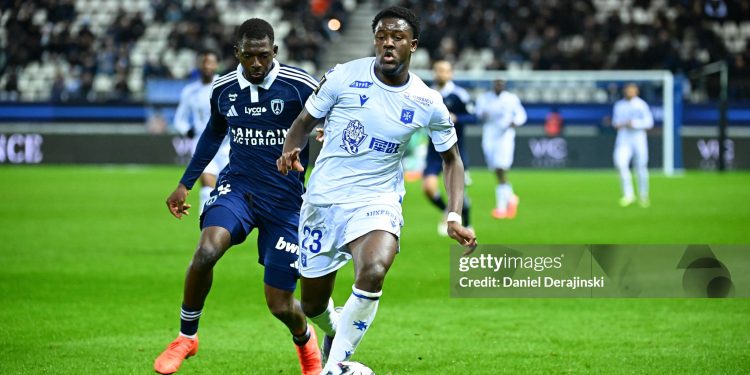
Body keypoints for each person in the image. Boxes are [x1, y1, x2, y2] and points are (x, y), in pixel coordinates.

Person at [277, 6, 477, 374]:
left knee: (374, 268)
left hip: (377, 199)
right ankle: (337, 329)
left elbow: (452, 160)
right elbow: (303, 123)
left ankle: (334, 366)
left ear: (412, 45)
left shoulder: (426, 100)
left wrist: (453, 214)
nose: (388, 43)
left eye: (397, 37)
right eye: (382, 36)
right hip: (324, 201)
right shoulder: (343, 76)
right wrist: (291, 148)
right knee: (313, 306)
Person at [155, 18, 322, 375]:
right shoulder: (224, 89)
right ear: (237, 54)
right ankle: (186, 337)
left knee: (279, 304)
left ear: (274, 52)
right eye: (249, 56)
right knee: (206, 251)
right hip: (239, 189)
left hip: (286, 202)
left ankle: (305, 338)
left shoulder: (299, 86)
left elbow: (328, 125)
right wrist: (185, 183)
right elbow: (213, 134)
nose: (257, 64)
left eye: (263, 55)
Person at [172, 49, 230, 213]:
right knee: (207, 184)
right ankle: (206, 221)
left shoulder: (225, 85)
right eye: (204, 62)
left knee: (228, 188)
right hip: (202, 143)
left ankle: (224, 220)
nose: (207, 66)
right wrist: (187, 130)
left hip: (227, 145)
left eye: (211, 62)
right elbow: (180, 118)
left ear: (217, 65)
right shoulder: (190, 91)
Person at [423, 60, 476, 235]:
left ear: (451, 73)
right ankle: (447, 211)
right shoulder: (427, 94)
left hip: (455, 150)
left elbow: (472, 117)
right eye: (438, 70)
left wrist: (457, 118)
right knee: (429, 188)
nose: (441, 74)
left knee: (459, 193)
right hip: (433, 151)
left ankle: (467, 225)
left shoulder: (459, 94)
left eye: (445, 70)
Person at [475, 79, 527, 219]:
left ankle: (501, 207)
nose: (499, 86)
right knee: (495, 169)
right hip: (489, 135)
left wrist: (514, 122)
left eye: (501, 83)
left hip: (505, 136)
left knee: (500, 168)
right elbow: (478, 113)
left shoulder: (511, 99)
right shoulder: (484, 98)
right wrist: (484, 113)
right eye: (496, 83)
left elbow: (521, 115)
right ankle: (511, 197)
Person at [612, 83, 653, 207]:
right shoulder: (619, 105)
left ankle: (643, 195)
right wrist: (619, 124)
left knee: (641, 166)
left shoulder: (641, 105)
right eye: (628, 90)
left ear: (636, 92)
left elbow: (649, 122)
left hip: (638, 138)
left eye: (632, 90)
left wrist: (634, 123)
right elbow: (615, 122)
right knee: (620, 164)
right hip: (623, 139)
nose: (629, 92)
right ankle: (628, 195)